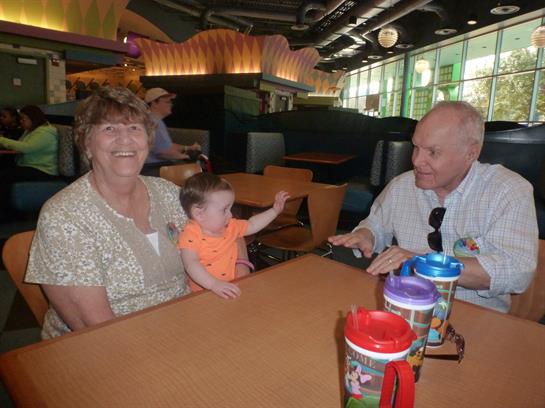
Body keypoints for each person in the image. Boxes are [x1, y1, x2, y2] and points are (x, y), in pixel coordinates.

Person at [24, 87, 251, 339]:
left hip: (186, 321)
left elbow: (227, 227)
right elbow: (95, 328)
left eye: (134, 128)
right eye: (109, 128)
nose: (125, 139)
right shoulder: (65, 215)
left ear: (147, 140)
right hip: (109, 345)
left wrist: (240, 271)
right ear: (87, 144)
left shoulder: (169, 193)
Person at [329, 101, 538, 312]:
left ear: (470, 153)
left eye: (433, 152)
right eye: (416, 147)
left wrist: (425, 263)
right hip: (408, 306)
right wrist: (366, 235)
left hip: (477, 315)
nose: (417, 161)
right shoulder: (402, 185)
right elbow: (375, 225)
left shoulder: (508, 191)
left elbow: (517, 272)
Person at [179, 172, 289, 299]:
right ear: (200, 214)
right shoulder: (191, 234)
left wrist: (274, 211)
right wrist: (214, 284)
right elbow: (191, 263)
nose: (230, 215)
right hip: (203, 295)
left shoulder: (230, 226)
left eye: (230, 208)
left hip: (231, 286)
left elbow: (252, 224)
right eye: (224, 210)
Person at [0, 105, 59, 213]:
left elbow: (26, 148)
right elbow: (20, 145)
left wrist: (2, 140)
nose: (21, 121)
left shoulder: (45, 132)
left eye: (23, 119)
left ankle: (6, 212)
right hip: (30, 166)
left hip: (43, 170)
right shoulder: (31, 130)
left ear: (33, 118)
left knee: (4, 176)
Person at [144, 87, 201, 163]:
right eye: (167, 102)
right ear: (154, 103)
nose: (171, 104)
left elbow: (166, 145)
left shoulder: (151, 119)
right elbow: (163, 152)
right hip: (154, 167)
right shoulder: (154, 123)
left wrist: (188, 148)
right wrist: (187, 156)